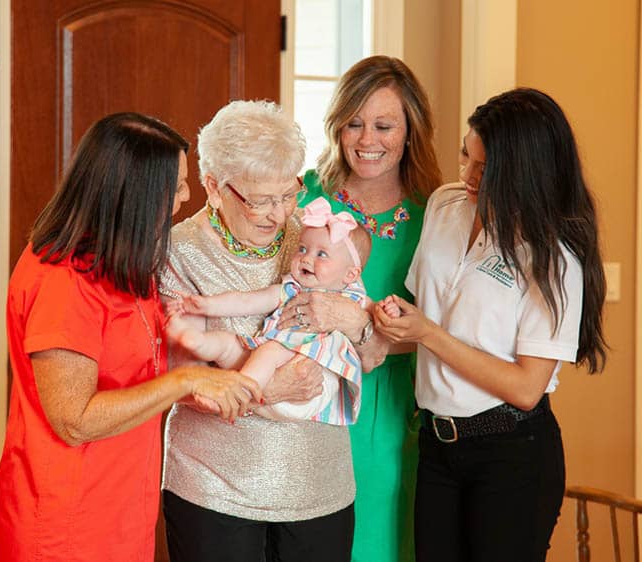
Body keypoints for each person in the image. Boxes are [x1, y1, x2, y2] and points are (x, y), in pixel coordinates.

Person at [0, 112, 261, 562]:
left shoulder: (122, 265)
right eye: (173, 187)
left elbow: (138, 372)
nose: (185, 196)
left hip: (121, 514)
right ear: (134, 195)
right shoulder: (62, 281)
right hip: (64, 523)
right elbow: (73, 420)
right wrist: (185, 383)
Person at [373, 88, 608, 561]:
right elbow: (428, 316)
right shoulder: (444, 205)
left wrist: (427, 334)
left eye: (485, 168)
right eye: (465, 155)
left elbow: (525, 388)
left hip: (512, 455)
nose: (467, 176)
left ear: (525, 171)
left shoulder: (553, 258)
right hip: (437, 448)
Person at [160, 100, 366, 562]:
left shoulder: (318, 240)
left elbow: (367, 350)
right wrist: (267, 390)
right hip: (215, 488)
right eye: (260, 200)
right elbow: (181, 380)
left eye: (288, 193)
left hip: (321, 485)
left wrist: (354, 321)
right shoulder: (179, 250)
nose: (278, 214)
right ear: (214, 186)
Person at [277, 55, 443, 562]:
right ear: (337, 126)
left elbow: (444, 328)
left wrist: (359, 325)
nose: (367, 138)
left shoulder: (434, 215)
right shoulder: (303, 194)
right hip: (298, 400)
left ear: (410, 130)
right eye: (354, 122)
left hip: (387, 413)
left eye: (384, 125)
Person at [169, 196, 372, 425]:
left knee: (270, 351)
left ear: (350, 275)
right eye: (303, 249)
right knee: (230, 345)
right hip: (274, 377)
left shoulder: (353, 298)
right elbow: (246, 302)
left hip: (314, 385)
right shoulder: (291, 288)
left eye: (321, 254)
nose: (306, 258)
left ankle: (237, 396)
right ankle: (195, 342)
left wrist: (389, 311)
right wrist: (206, 305)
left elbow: (375, 323)